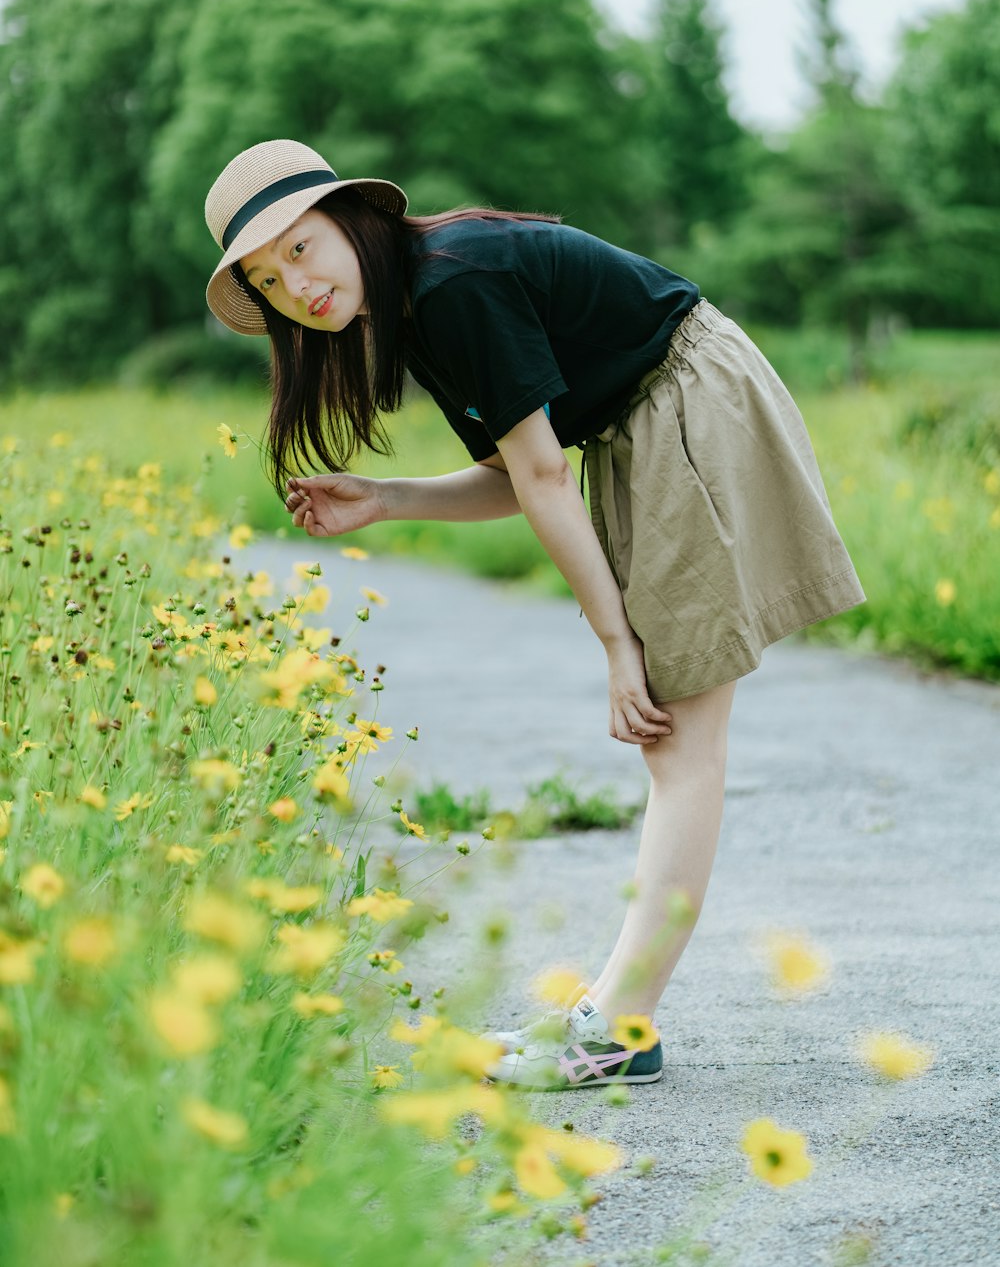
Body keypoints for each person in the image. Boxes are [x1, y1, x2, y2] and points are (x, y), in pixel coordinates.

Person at [203, 138, 867, 1092]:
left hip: (687, 404)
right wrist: (386, 498)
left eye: (301, 248)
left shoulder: (450, 285)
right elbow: (521, 470)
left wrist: (617, 644)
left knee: (678, 736)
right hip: (651, 420)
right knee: (677, 741)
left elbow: (549, 474)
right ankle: (618, 1018)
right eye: (267, 279)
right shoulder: (419, 301)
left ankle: (621, 1025)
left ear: (351, 219)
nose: (294, 285)